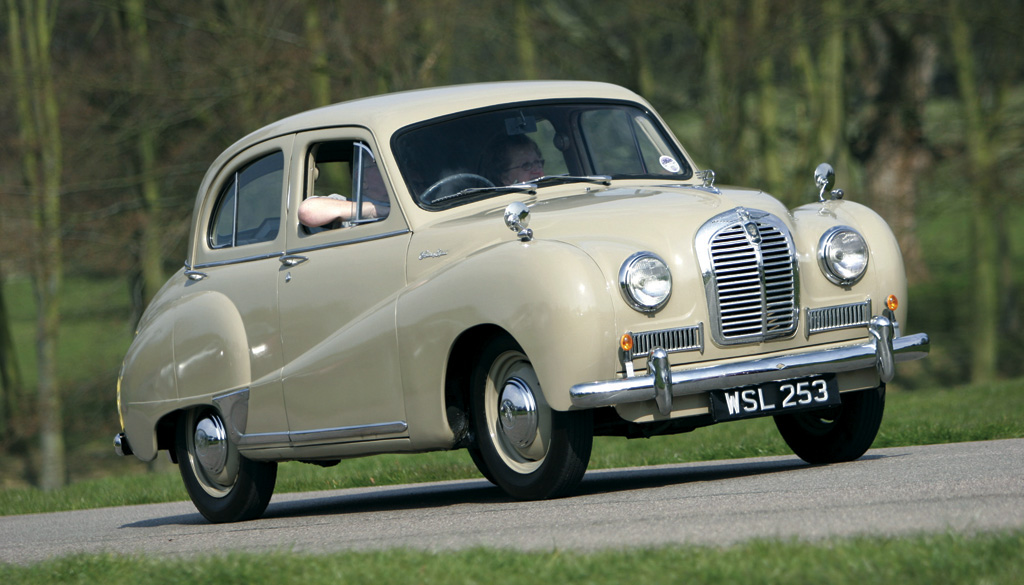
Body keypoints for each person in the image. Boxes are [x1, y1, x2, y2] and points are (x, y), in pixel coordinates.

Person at [299, 160, 390, 227]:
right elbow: (308, 210)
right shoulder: (343, 204)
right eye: (380, 165)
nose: (390, 170)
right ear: (362, 180)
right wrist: (374, 210)